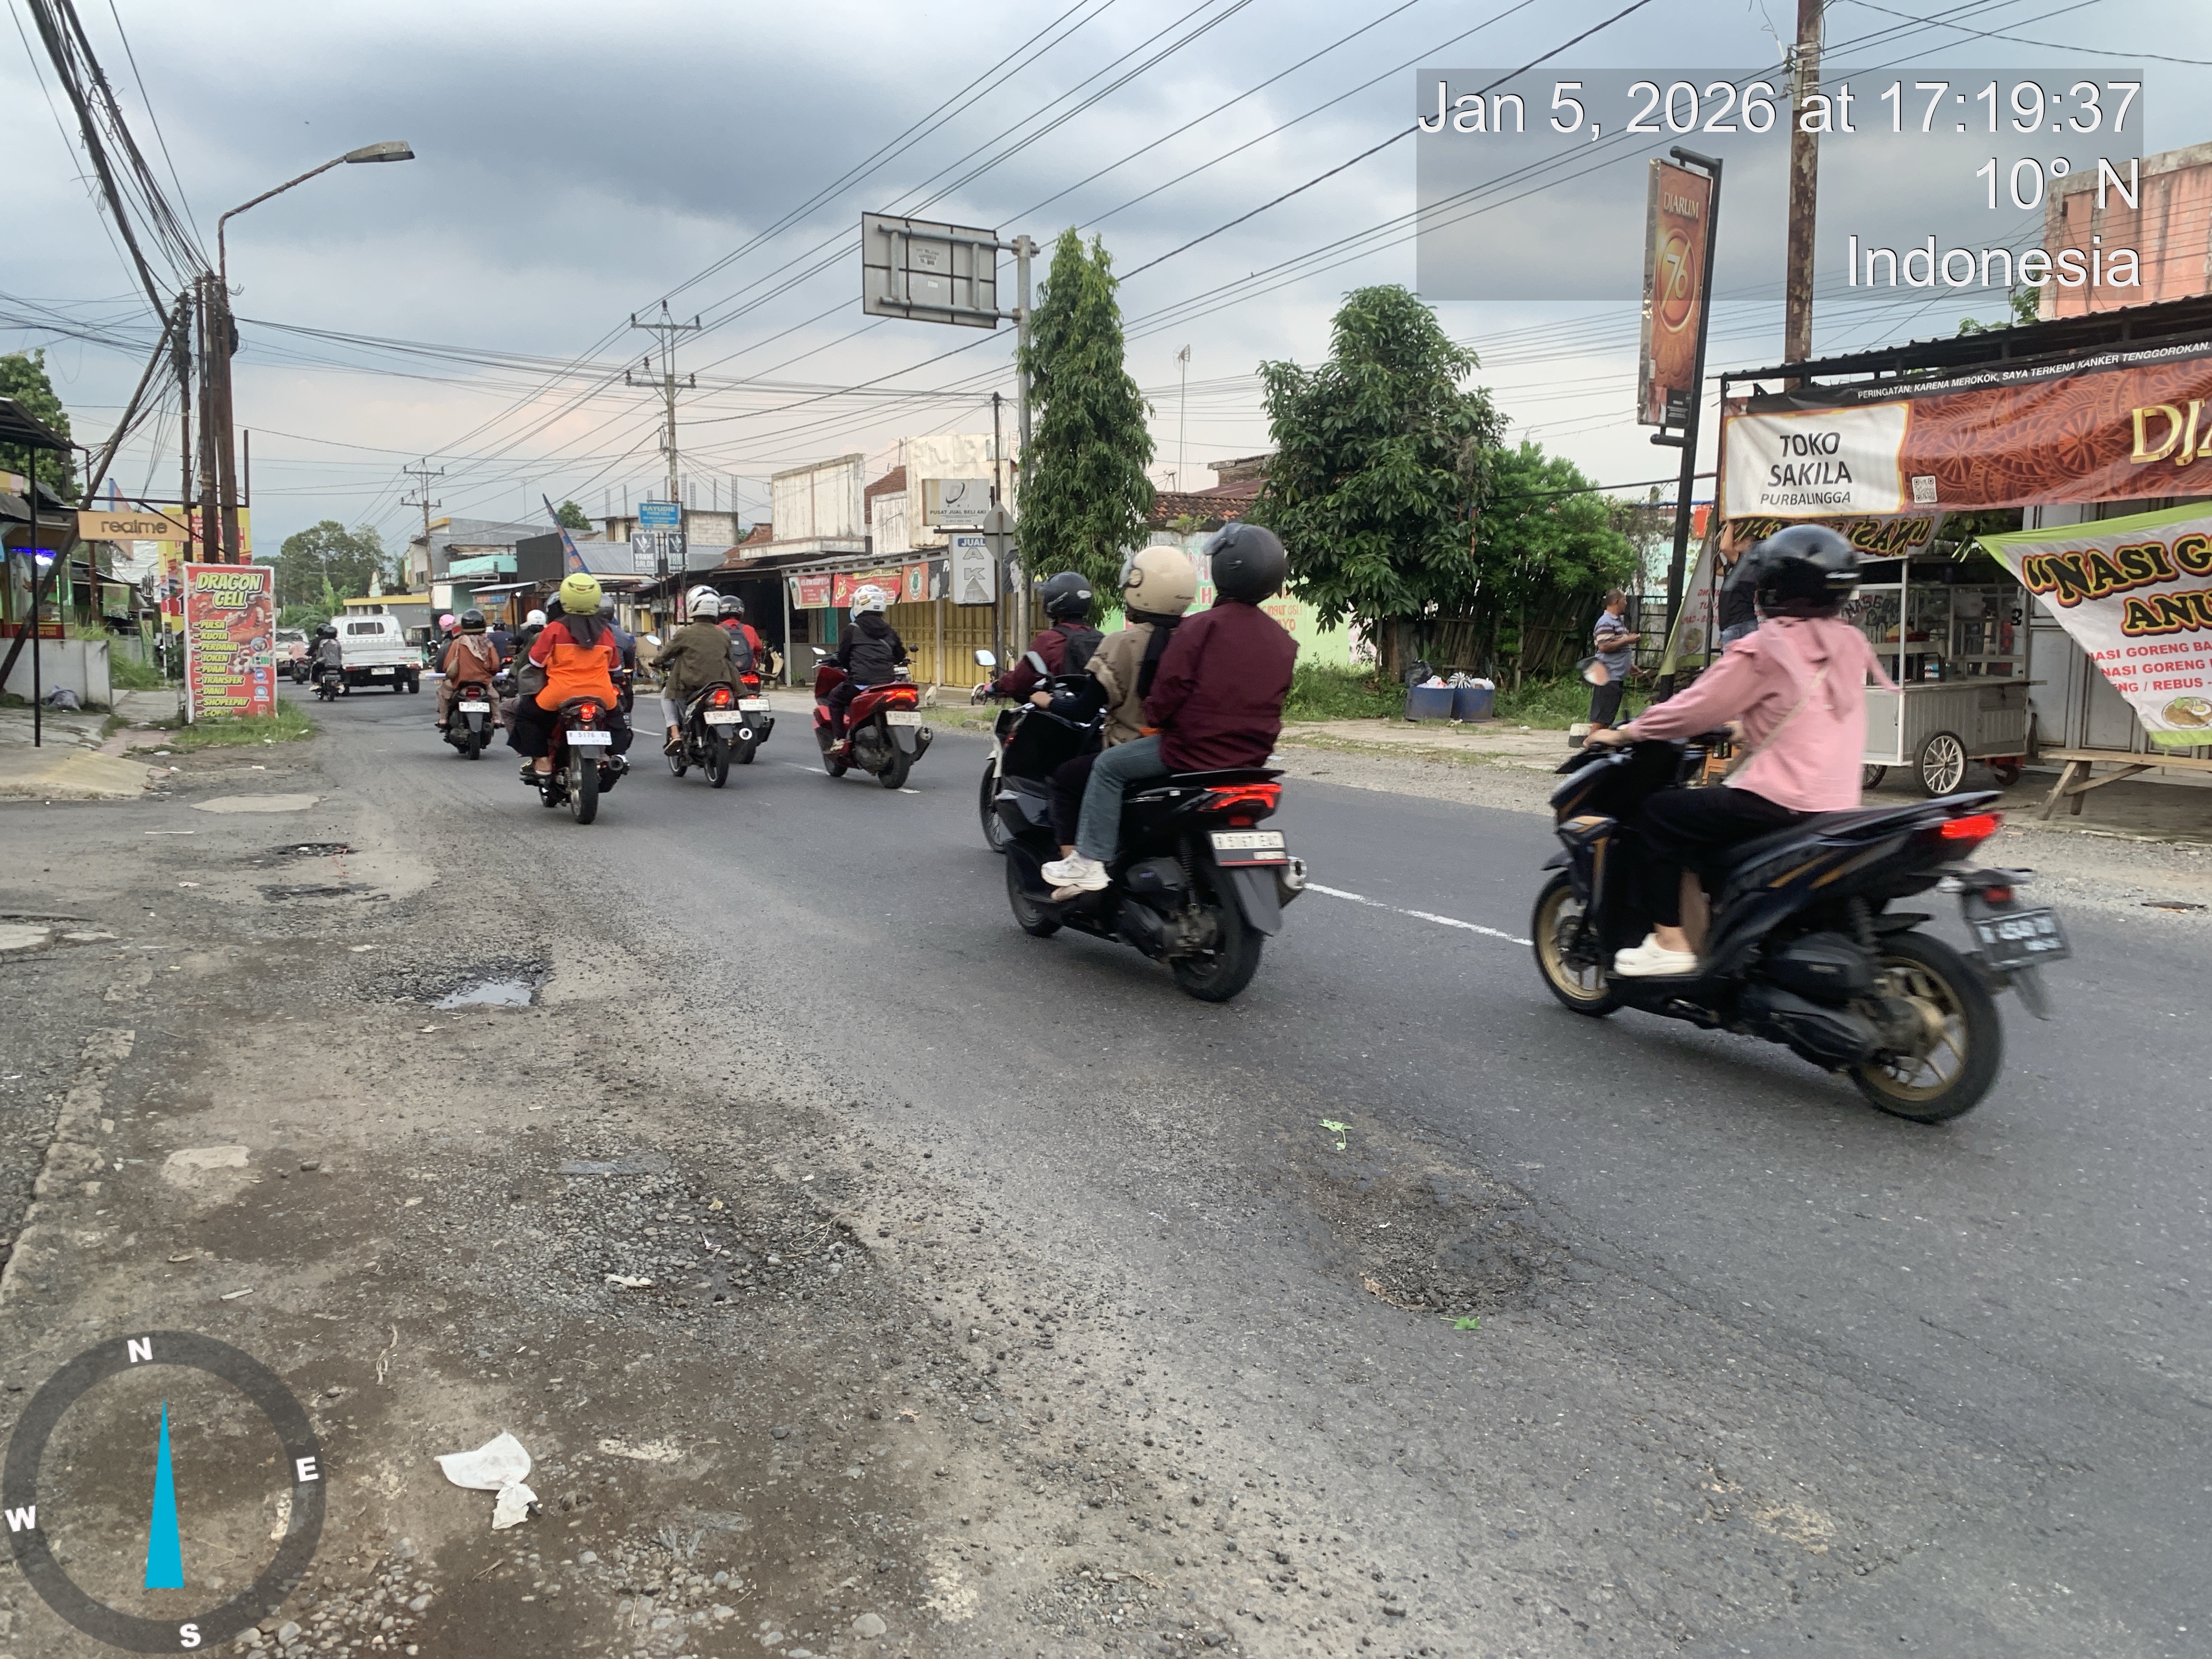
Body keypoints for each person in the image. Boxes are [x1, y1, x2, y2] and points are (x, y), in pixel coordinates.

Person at [1585, 526, 1894, 978]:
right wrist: (1742, 728)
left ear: (1774, 586)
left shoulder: (1768, 647)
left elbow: (1689, 710)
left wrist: (1627, 732)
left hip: (1780, 801)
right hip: (1838, 806)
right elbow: (1812, 716)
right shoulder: (1848, 644)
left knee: (1658, 816)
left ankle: (1671, 943)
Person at [1043, 524, 1297, 895]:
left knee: (1108, 767)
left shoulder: (1200, 628)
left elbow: (1166, 693)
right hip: (1252, 757)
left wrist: (1160, 722)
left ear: (1225, 570)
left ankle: (1089, 860)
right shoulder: (1283, 640)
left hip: (1190, 752)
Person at [1045, 547, 1197, 853]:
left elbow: (1083, 709)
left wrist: (1045, 701)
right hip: (1193, 751)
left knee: (1065, 780)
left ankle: (1080, 869)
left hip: (1133, 749)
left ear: (1140, 590)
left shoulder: (1120, 643)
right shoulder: (1197, 637)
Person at [509, 572, 633, 780]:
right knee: (617, 720)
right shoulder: (606, 632)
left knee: (527, 716)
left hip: (559, 694)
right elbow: (614, 668)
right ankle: (617, 755)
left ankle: (542, 761)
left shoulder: (555, 629)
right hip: (602, 696)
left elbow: (536, 662)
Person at [982, 572, 1104, 701]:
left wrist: (996, 686)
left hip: (1059, 713)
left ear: (1054, 602)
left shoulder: (1049, 640)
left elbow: (1020, 680)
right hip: (1098, 715)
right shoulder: (1102, 639)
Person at [654, 589, 741, 752]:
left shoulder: (684, 633)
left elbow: (665, 655)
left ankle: (675, 734)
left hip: (691, 686)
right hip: (720, 684)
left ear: (694, 609)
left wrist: (655, 662)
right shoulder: (724, 635)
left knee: (666, 693)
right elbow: (730, 657)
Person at [826, 585, 907, 738]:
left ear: (859, 605)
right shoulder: (889, 630)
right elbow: (899, 655)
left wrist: (846, 665)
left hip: (860, 683)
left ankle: (840, 740)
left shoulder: (852, 629)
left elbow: (843, 657)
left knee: (835, 700)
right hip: (887, 684)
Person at [434, 610, 503, 730]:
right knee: (494, 696)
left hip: (459, 683)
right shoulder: (487, 643)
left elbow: (447, 666)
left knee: (442, 692)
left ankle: (443, 719)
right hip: (483, 683)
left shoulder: (457, 643)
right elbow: (495, 665)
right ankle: (497, 719)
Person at [1585, 590, 1638, 734]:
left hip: (1615, 675)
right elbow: (1604, 647)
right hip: (1608, 675)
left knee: (1607, 718)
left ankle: (1595, 745)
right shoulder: (1605, 622)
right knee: (1602, 718)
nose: (1626, 603)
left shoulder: (1615, 621)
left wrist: (1629, 666)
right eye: (1625, 600)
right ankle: (1589, 746)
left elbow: (1616, 648)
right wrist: (1627, 640)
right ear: (1616, 602)